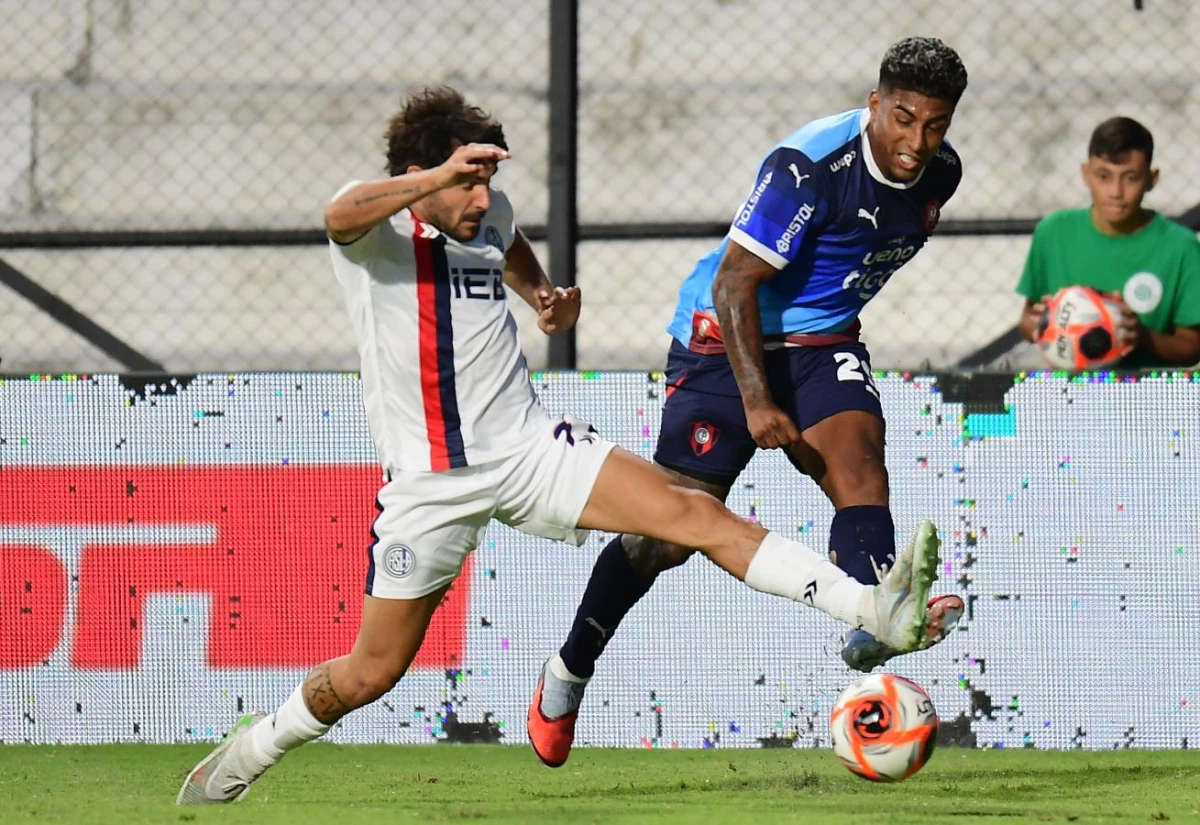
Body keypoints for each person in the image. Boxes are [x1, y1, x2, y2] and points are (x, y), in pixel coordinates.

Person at [176, 86, 947, 804]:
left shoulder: (490, 213)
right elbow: (337, 210)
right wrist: (435, 179)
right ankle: (251, 752)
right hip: (430, 485)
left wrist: (540, 291)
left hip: (531, 449)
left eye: (486, 182)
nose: (482, 200)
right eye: (465, 183)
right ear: (424, 175)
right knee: (370, 672)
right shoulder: (378, 235)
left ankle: (871, 608)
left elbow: (505, 240)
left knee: (695, 515)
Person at [527, 37, 970, 768]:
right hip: (722, 337)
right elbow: (736, 283)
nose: (917, 142)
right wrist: (759, 402)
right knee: (667, 534)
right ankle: (567, 673)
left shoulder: (939, 177)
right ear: (875, 105)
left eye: (935, 125)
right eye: (903, 118)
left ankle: (873, 617)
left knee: (859, 460)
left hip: (822, 344)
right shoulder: (809, 169)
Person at [1016, 116, 1200, 368]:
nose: (1115, 191)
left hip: (1148, 399)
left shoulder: (1182, 247)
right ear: (1086, 174)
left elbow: (1192, 348)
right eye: (1104, 176)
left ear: (1151, 179)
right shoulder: (1053, 232)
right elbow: (1027, 319)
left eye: (1130, 177)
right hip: (1071, 394)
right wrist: (1040, 323)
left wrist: (1141, 336)